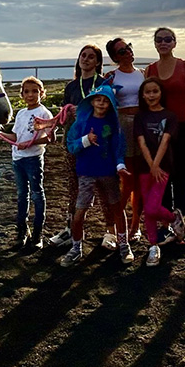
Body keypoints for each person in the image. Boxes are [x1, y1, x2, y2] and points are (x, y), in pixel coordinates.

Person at [62, 84, 134, 266]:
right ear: (91, 101)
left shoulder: (113, 125)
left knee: (117, 210)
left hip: (108, 172)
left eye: (106, 101)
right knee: (79, 213)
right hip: (86, 173)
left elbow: (118, 147)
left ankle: (124, 244)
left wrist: (119, 165)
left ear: (111, 104)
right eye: (98, 99)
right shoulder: (81, 124)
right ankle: (76, 247)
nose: (101, 103)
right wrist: (86, 140)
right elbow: (71, 145)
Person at [0, 77, 54, 250]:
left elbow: (51, 137)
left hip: (33, 159)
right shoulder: (21, 113)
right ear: (22, 95)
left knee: (37, 194)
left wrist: (31, 144)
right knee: (22, 195)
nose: (31, 95)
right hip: (18, 159)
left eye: (35, 91)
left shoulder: (45, 114)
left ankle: (37, 234)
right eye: (27, 91)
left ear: (41, 93)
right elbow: (15, 137)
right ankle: (22, 231)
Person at [46, 44, 106, 248]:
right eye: (83, 55)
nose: (86, 59)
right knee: (74, 186)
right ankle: (71, 228)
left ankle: (112, 232)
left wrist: (81, 110)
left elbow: (108, 113)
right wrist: (66, 113)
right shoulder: (71, 86)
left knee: (103, 187)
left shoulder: (103, 84)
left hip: (97, 143)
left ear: (98, 62)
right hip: (74, 143)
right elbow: (63, 119)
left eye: (91, 57)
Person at [145, 27, 185, 241]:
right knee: (162, 175)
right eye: (159, 39)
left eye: (168, 39)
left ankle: (181, 220)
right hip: (159, 128)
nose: (163, 42)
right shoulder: (150, 70)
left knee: (181, 173)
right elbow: (146, 98)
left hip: (183, 128)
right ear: (155, 44)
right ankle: (166, 222)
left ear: (175, 43)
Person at [134, 77, 185, 267]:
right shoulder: (140, 116)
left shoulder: (170, 116)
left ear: (161, 93)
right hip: (144, 167)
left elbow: (165, 141)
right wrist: (151, 165)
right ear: (142, 94)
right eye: (147, 92)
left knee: (151, 207)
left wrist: (156, 166)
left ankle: (174, 219)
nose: (151, 95)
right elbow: (141, 142)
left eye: (155, 91)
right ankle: (153, 245)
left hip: (163, 167)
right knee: (149, 210)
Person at [104, 37, 145, 247]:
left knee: (140, 180)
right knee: (127, 180)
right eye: (121, 51)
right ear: (114, 58)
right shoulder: (111, 76)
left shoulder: (143, 74)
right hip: (123, 126)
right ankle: (116, 224)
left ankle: (135, 225)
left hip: (142, 126)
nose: (127, 52)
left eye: (128, 47)